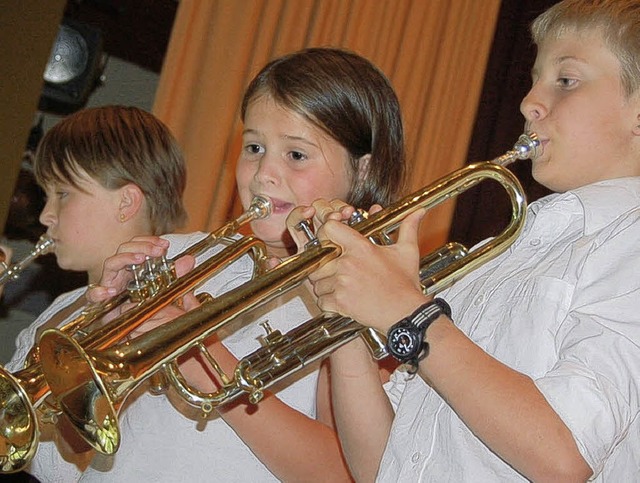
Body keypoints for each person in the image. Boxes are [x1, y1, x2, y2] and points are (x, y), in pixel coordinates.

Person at [287, 0, 640, 481]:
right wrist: (346, 316)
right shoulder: (494, 258)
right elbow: (380, 466)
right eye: (534, 79)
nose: (528, 102)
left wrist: (407, 314)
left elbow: (563, 456)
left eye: (566, 80)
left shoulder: (628, 239)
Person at [61, 47, 406, 482]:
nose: (263, 174)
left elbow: (344, 472)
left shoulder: (364, 296)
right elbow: (79, 441)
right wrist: (108, 331)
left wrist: (201, 360)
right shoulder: (185, 253)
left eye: (296, 155)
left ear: (361, 171)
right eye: (255, 147)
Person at [4, 104, 188, 481]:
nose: (45, 216)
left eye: (63, 194)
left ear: (126, 203)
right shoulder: (58, 310)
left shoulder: (173, 294)